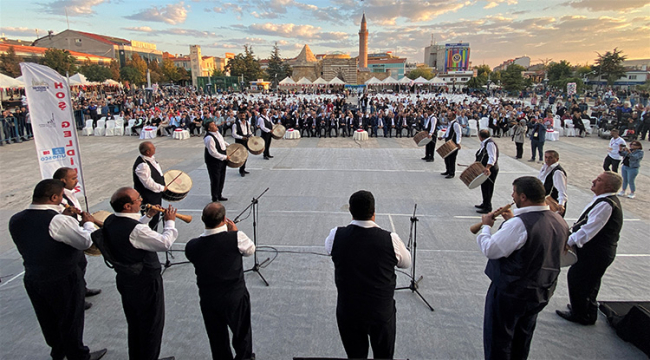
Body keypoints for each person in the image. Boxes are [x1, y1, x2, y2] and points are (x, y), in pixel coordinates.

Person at [9, 179, 107, 360]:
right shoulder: (57, 220)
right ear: (54, 197)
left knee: (47, 319)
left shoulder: (16, 219)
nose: (63, 200)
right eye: (61, 197)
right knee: (71, 319)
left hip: (33, 277)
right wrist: (86, 223)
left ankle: (58, 352)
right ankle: (78, 355)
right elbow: (84, 242)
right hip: (62, 277)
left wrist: (66, 218)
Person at [477, 176, 568, 360]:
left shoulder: (519, 224)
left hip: (511, 291)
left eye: (514, 192)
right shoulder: (559, 220)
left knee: (499, 340)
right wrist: (512, 221)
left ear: (523, 197)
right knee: (522, 338)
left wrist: (486, 227)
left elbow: (491, 249)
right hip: (539, 291)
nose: (512, 196)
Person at [325, 190, 411, 359]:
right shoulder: (390, 239)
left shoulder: (336, 235)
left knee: (355, 355)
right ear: (374, 212)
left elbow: (329, 250)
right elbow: (406, 263)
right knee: (384, 356)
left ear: (350, 210)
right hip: (380, 313)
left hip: (349, 311)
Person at [102, 187, 178, 360]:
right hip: (145, 282)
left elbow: (133, 235)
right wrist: (170, 222)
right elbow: (164, 243)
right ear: (128, 206)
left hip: (126, 280)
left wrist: (148, 217)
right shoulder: (136, 230)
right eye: (138, 199)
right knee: (151, 325)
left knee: (136, 323)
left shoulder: (110, 220)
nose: (142, 201)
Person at [185, 202, 256, 360]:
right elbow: (250, 250)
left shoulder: (192, 246)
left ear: (203, 219)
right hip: (235, 297)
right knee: (242, 333)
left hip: (209, 299)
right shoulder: (236, 237)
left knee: (217, 339)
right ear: (224, 219)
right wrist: (234, 232)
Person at [556, 171, 623, 326]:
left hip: (596, 252)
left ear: (608, 186)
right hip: (597, 252)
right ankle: (586, 309)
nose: (593, 181)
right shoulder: (603, 200)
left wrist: (569, 242)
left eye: (599, 180)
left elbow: (589, 230)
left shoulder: (605, 204)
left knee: (579, 279)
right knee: (590, 282)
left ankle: (581, 314)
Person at [53, 167, 102, 310]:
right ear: (63, 180)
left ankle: (82, 289)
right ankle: (75, 298)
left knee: (81, 264)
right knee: (75, 267)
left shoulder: (68, 194)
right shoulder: (59, 197)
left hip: (76, 229)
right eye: (73, 178)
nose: (76, 181)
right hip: (68, 235)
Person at [133, 141, 166, 230]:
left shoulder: (150, 159)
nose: (155, 149)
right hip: (149, 196)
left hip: (155, 195)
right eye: (153, 148)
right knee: (151, 219)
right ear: (147, 152)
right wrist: (162, 188)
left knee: (156, 217)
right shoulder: (142, 165)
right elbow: (148, 183)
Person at [204, 120, 230, 202]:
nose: (215, 125)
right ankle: (214, 197)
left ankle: (219, 194)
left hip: (221, 159)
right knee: (215, 179)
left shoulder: (217, 133)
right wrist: (224, 157)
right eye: (212, 125)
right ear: (209, 129)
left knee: (221, 178)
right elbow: (212, 152)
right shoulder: (209, 138)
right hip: (214, 161)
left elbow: (222, 142)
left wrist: (230, 146)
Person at [537, 150, 568, 217]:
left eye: (550, 157)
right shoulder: (545, 167)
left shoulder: (557, 172)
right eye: (546, 157)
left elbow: (562, 190)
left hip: (552, 203)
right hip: (543, 202)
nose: (547, 159)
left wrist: (561, 204)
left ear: (557, 159)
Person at [476, 129, 499, 214]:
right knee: (484, 186)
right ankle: (484, 203)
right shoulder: (485, 143)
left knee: (488, 187)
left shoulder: (490, 143)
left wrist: (488, 167)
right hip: (484, 168)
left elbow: (492, 157)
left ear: (481, 137)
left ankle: (488, 206)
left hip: (490, 169)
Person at [441, 112, 462, 178]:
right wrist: (442, 137)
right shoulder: (450, 124)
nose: (448, 117)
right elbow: (447, 132)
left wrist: (458, 142)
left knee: (452, 158)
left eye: (449, 116)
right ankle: (447, 170)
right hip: (448, 141)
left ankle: (451, 173)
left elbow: (459, 133)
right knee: (446, 157)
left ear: (453, 117)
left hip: (453, 142)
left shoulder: (455, 124)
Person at [232, 111, 253, 178]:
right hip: (240, 141)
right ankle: (241, 170)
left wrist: (252, 137)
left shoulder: (247, 123)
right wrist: (241, 137)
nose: (243, 117)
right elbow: (234, 134)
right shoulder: (235, 125)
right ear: (238, 116)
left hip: (246, 141)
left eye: (244, 115)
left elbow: (249, 131)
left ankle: (243, 168)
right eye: (241, 115)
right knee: (241, 156)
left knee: (245, 155)